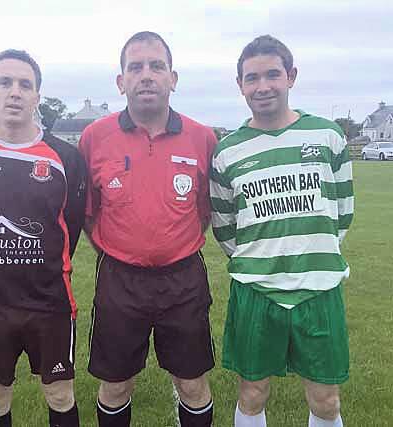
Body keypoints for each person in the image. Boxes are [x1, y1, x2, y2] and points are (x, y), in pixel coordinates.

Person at [210, 35, 353, 427]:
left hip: (318, 288)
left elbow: (342, 211)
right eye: (252, 78)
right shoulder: (227, 151)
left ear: (291, 77)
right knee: (252, 393)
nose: (263, 86)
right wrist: (263, 259)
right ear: (240, 84)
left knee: (326, 400)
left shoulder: (327, 136)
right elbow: (224, 225)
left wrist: (311, 252)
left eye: (273, 74)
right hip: (256, 289)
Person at [78, 31, 217, 426]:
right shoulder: (94, 137)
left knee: (192, 383)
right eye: (135, 67)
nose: (147, 75)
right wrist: (120, 248)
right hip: (119, 278)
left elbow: (204, 209)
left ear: (173, 78)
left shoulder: (202, 138)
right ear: (120, 82)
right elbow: (89, 212)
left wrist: (169, 242)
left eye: (157, 66)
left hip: (184, 278)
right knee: (116, 384)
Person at [0, 49, 86, 427]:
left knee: (60, 395)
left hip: (49, 301)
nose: (15, 92)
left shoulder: (66, 158)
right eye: (5, 83)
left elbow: (69, 229)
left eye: (25, 85)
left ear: (37, 96)